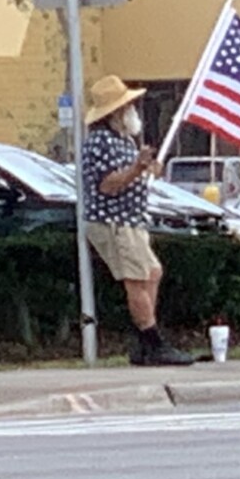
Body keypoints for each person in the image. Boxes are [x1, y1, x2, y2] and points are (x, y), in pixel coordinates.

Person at [81, 76, 194, 366]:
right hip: (113, 221)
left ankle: (142, 340)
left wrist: (147, 169)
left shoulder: (124, 140)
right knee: (137, 280)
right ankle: (153, 343)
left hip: (132, 220)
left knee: (152, 272)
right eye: (128, 105)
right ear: (115, 112)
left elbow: (133, 173)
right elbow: (107, 185)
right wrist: (136, 168)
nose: (133, 110)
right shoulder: (100, 142)